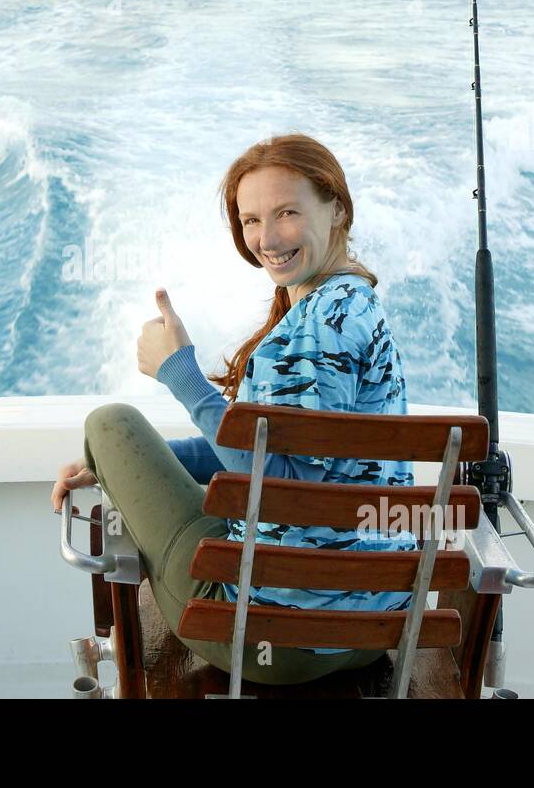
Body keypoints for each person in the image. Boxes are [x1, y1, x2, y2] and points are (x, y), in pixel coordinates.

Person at [51, 133, 415, 685]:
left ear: (337, 207)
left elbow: (279, 478)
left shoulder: (312, 330)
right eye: (250, 221)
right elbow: (274, 457)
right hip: (373, 627)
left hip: (275, 638)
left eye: (287, 213)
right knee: (166, 471)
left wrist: (182, 376)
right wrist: (136, 470)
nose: (266, 239)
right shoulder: (357, 305)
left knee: (111, 424)